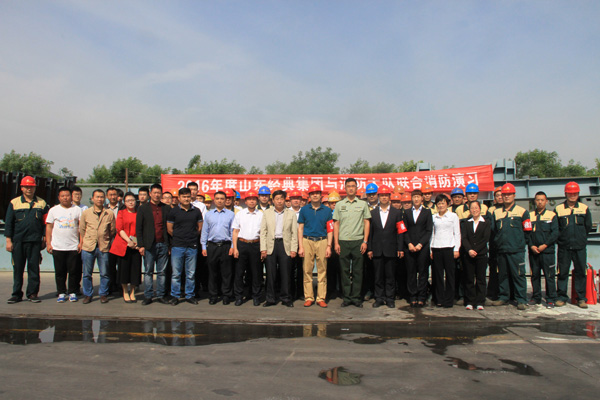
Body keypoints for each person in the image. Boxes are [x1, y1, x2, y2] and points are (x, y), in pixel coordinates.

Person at [5, 176, 49, 304]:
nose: (29, 189)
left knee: (34, 268)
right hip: (18, 241)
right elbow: (9, 223)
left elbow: (46, 223)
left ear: (35, 188)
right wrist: (8, 241)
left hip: (35, 241)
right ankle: (16, 294)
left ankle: (32, 294)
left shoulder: (42, 203)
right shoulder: (14, 203)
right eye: (26, 187)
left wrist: (45, 239)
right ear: (22, 188)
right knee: (18, 269)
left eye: (31, 187)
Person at [490, 183, 532, 310]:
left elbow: (528, 231)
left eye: (509, 194)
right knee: (502, 275)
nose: (506, 196)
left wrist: (520, 244)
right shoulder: (496, 213)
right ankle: (503, 297)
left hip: (516, 251)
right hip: (502, 250)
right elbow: (493, 231)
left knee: (518, 275)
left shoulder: (522, 212)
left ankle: (521, 299)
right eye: (504, 194)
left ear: (514, 195)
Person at [333, 178, 371, 308]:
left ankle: (356, 297)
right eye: (348, 186)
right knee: (344, 271)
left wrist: (365, 241)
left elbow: (366, 222)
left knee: (358, 271)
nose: (350, 188)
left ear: (356, 188)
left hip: (358, 241)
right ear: (345, 188)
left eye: (353, 186)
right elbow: (336, 224)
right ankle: (347, 297)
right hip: (343, 241)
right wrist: (336, 243)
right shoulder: (339, 205)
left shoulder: (362, 204)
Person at [554, 182, 592, 308]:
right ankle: (561, 297)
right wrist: (561, 240)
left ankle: (581, 298)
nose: (572, 195)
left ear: (578, 194)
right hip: (564, 247)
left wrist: (580, 238)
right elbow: (556, 228)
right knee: (562, 273)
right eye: (570, 193)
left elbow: (588, 226)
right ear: (565, 194)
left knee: (581, 272)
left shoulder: (584, 208)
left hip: (579, 247)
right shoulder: (559, 209)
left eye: (575, 193)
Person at [367, 186, 405, 308]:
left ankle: (390, 298)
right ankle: (379, 298)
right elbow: (370, 233)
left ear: (389, 197)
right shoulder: (372, 213)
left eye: (386, 195)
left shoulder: (397, 213)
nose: (384, 198)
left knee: (390, 276)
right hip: (377, 249)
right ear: (378, 197)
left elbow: (400, 232)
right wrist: (370, 248)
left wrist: (400, 248)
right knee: (378, 276)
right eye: (382, 195)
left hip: (391, 249)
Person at [260, 190, 298, 307]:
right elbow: (263, 232)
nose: (279, 201)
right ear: (273, 200)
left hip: (285, 245)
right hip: (271, 245)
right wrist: (263, 248)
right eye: (277, 199)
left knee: (286, 273)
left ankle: (286, 298)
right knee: (271, 274)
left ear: (285, 200)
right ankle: (270, 298)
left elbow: (294, 233)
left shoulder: (291, 214)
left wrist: (293, 249)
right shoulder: (267, 213)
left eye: (281, 198)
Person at [298, 184, 333, 308]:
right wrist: (301, 246)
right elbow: (300, 228)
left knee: (322, 270)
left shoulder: (327, 210)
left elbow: (330, 229)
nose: (315, 195)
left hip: (322, 241)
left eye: (317, 193)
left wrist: (329, 246)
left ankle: (321, 298)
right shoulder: (304, 210)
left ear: (321, 195)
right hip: (307, 240)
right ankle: (309, 297)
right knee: (307, 270)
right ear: (309, 196)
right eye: (312, 193)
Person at [167, 187, 203, 305]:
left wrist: (191, 237)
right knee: (176, 273)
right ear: (179, 198)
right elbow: (169, 229)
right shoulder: (173, 211)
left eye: (188, 196)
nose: (186, 199)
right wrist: (179, 237)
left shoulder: (196, 211)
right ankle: (175, 296)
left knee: (191, 273)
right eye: (183, 197)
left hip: (192, 246)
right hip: (178, 246)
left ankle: (189, 295)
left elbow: (199, 228)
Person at [79, 189, 116, 304]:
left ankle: (103, 294)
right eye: (97, 197)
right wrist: (85, 241)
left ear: (105, 199)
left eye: (101, 197)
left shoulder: (109, 213)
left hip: (103, 247)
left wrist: (105, 239)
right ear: (92, 199)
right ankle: (88, 294)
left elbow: (112, 230)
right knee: (87, 273)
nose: (99, 199)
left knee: (104, 273)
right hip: (88, 247)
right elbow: (82, 229)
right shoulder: (86, 213)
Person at [45, 187, 82, 303]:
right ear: (59, 197)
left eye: (67, 195)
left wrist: (81, 243)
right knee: (60, 272)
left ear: (71, 196)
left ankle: (72, 292)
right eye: (62, 196)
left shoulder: (77, 210)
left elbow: (82, 228)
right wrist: (48, 243)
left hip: (73, 246)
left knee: (73, 271)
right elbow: (49, 227)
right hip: (57, 246)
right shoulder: (53, 210)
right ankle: (61, 292)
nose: (65, 198)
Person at [136, 184, 171, 305]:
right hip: (149, 245)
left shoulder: (166, 208)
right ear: (150, 194)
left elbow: (169, 227)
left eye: (159, 193)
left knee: (162, 272)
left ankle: (161, 295)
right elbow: (139, 228)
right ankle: (148, 295)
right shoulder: (143, 208)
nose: (156, 195)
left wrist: (169, 245)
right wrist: (141, 245)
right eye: (154, 192)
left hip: (163, 244)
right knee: (148, 272)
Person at [201, 191, 235, 305]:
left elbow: (233, 232)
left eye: (222, 199)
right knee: (212, 272)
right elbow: (204, 232)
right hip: (212, 246)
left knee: (226, 273)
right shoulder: (209, 215)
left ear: (225, 200)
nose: (220, 201)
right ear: (214, 200)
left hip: (226, 246)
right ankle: (213, 295)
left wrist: (232, 246)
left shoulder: (231, 214)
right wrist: (203, 246)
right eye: (217, 198)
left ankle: (226, 295)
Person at [232, 190, 263, 306]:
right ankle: (239, 296)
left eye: (254, 199)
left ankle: (256, 296)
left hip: (256, 244)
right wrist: (235, 248)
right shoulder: (240, 214)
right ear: (245, 201)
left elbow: (263, 233)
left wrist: (263, 249)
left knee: (256, 273)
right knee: (239, 272)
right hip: (242, 244)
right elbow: (235, 231)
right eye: (249, 199)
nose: (251, 201)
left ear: (257, 201)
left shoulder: (261, 215)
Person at [109, 192, 142, 303]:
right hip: (124, 244)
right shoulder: (121, 213)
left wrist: (136, 243)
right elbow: (119, 229)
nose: (131, 202)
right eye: (128, 201)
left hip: (136, 246)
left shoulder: (139, 213)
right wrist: (129, 241)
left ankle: (132, 291)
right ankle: (125, 291)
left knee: (135, 270)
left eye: (132, 200)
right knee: (124, 269)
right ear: (124, 202)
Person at [403, 189, 433, 307]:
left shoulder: (427, 212)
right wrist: (409, 243)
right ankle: (412, 296)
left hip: (422, 247)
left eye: (418, 197)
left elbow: (429, 230)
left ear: (422, 198)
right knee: (411, 273)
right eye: (414, 197)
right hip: (410, 247)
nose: (416, 199)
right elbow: (404, 230)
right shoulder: (406, 212)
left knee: (423, 273)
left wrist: (420, 244)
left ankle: (421, 296)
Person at [529, 191, 559, 308]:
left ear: (546, 201)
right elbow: (526, 233)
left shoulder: (552, 215)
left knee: (549, 275)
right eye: (538, 200)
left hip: (547, 252)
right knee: (535, 275)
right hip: (534, 252)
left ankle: (551, 298)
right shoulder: (530, 216)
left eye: (542, 200)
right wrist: (531, 245)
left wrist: (545, 245)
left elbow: (555, 233)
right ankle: (536, 297)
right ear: (534, 201)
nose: (540, 202)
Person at [430, 194, 461, 308]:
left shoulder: (453, 216)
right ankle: (439, 299)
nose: (441, 205)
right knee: (438, 275)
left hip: (449, 248)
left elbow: (457, 233)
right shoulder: (434, 217)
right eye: (439, 203)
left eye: (443, 203)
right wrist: (431, 249)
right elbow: (432, 234)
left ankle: (449, 300)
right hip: (437, 248)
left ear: (447, 204)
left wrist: (456, 249)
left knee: (450, 275)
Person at [461, 201, 491, 310]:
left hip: (481, 255)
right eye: (472, 208)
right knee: (469, 278)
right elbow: (464, 238)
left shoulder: (486, 222)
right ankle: (469, 301)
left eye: (476, 208)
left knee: (480, 279)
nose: (474, 210)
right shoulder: (467, 223)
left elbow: (485, 238)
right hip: (468, 255)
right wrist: (469, 250)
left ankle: (480, 302)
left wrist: (476, 250)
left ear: (480, 209)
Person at [106, 187, 124, 294]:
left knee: (121, 265)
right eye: (110, 195)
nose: (113, 197)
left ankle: (121, 286)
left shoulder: (123, 207)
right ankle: (111, 285)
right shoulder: (104, 208)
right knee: (110, 265)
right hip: (108, 241)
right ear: (107, 196)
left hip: (121, 240)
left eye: (114, 195)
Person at [486, 186, 503, 302]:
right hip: (493, 244)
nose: (500, 197)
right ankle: (492, 292)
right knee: (493, 268)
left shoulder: (511, 209)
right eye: (497, 195)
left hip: (505, 244)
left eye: (502, 195)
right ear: (494, 198)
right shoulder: (491, 210)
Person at [288, 189, 304, 300]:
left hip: (302, 243)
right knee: (290, 269)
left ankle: (301, 292)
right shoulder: (286, 212)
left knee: (301, 268)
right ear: (290, 200)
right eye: (293, 198)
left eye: (297, 198)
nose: (296, 200)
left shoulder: (304, 211)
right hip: (289, 244)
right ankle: (291, 292)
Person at [326, 191, 342, 299]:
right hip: (329, 244)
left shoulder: (343, 213)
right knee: (329, 268)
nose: (334, 205)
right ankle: (330, 290)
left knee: (341, 268)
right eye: (332, 203)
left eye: (336, 202)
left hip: (341, 242)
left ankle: (341, 290)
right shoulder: (327, 214)